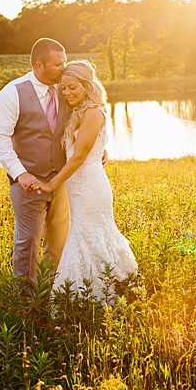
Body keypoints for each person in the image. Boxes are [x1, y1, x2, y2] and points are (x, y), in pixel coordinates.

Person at [32, 59, 138, 301]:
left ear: (87, 85)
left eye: (73, 87)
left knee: (90, 235)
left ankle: (103, 294)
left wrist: (51, 184)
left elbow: (79, 155)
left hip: (91, 187)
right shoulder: (78, 111)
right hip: (79, 187)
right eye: (64, 89)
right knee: (84, 236)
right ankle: (90, 295)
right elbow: (86, 147)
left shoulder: (92, 112)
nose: (67, 93)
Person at [0, 38, 71, 285]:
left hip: (62, 181)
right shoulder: (12, 92)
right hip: (29, 183)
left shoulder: (65, 88)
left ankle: (51, 295)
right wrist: (20, 174)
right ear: (39, 65)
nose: (64, 68)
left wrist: (99, 149)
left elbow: (83, 121)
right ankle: (26, 306)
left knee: (59, 242)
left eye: (65, 62)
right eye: (58, 64)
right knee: (28, 244)